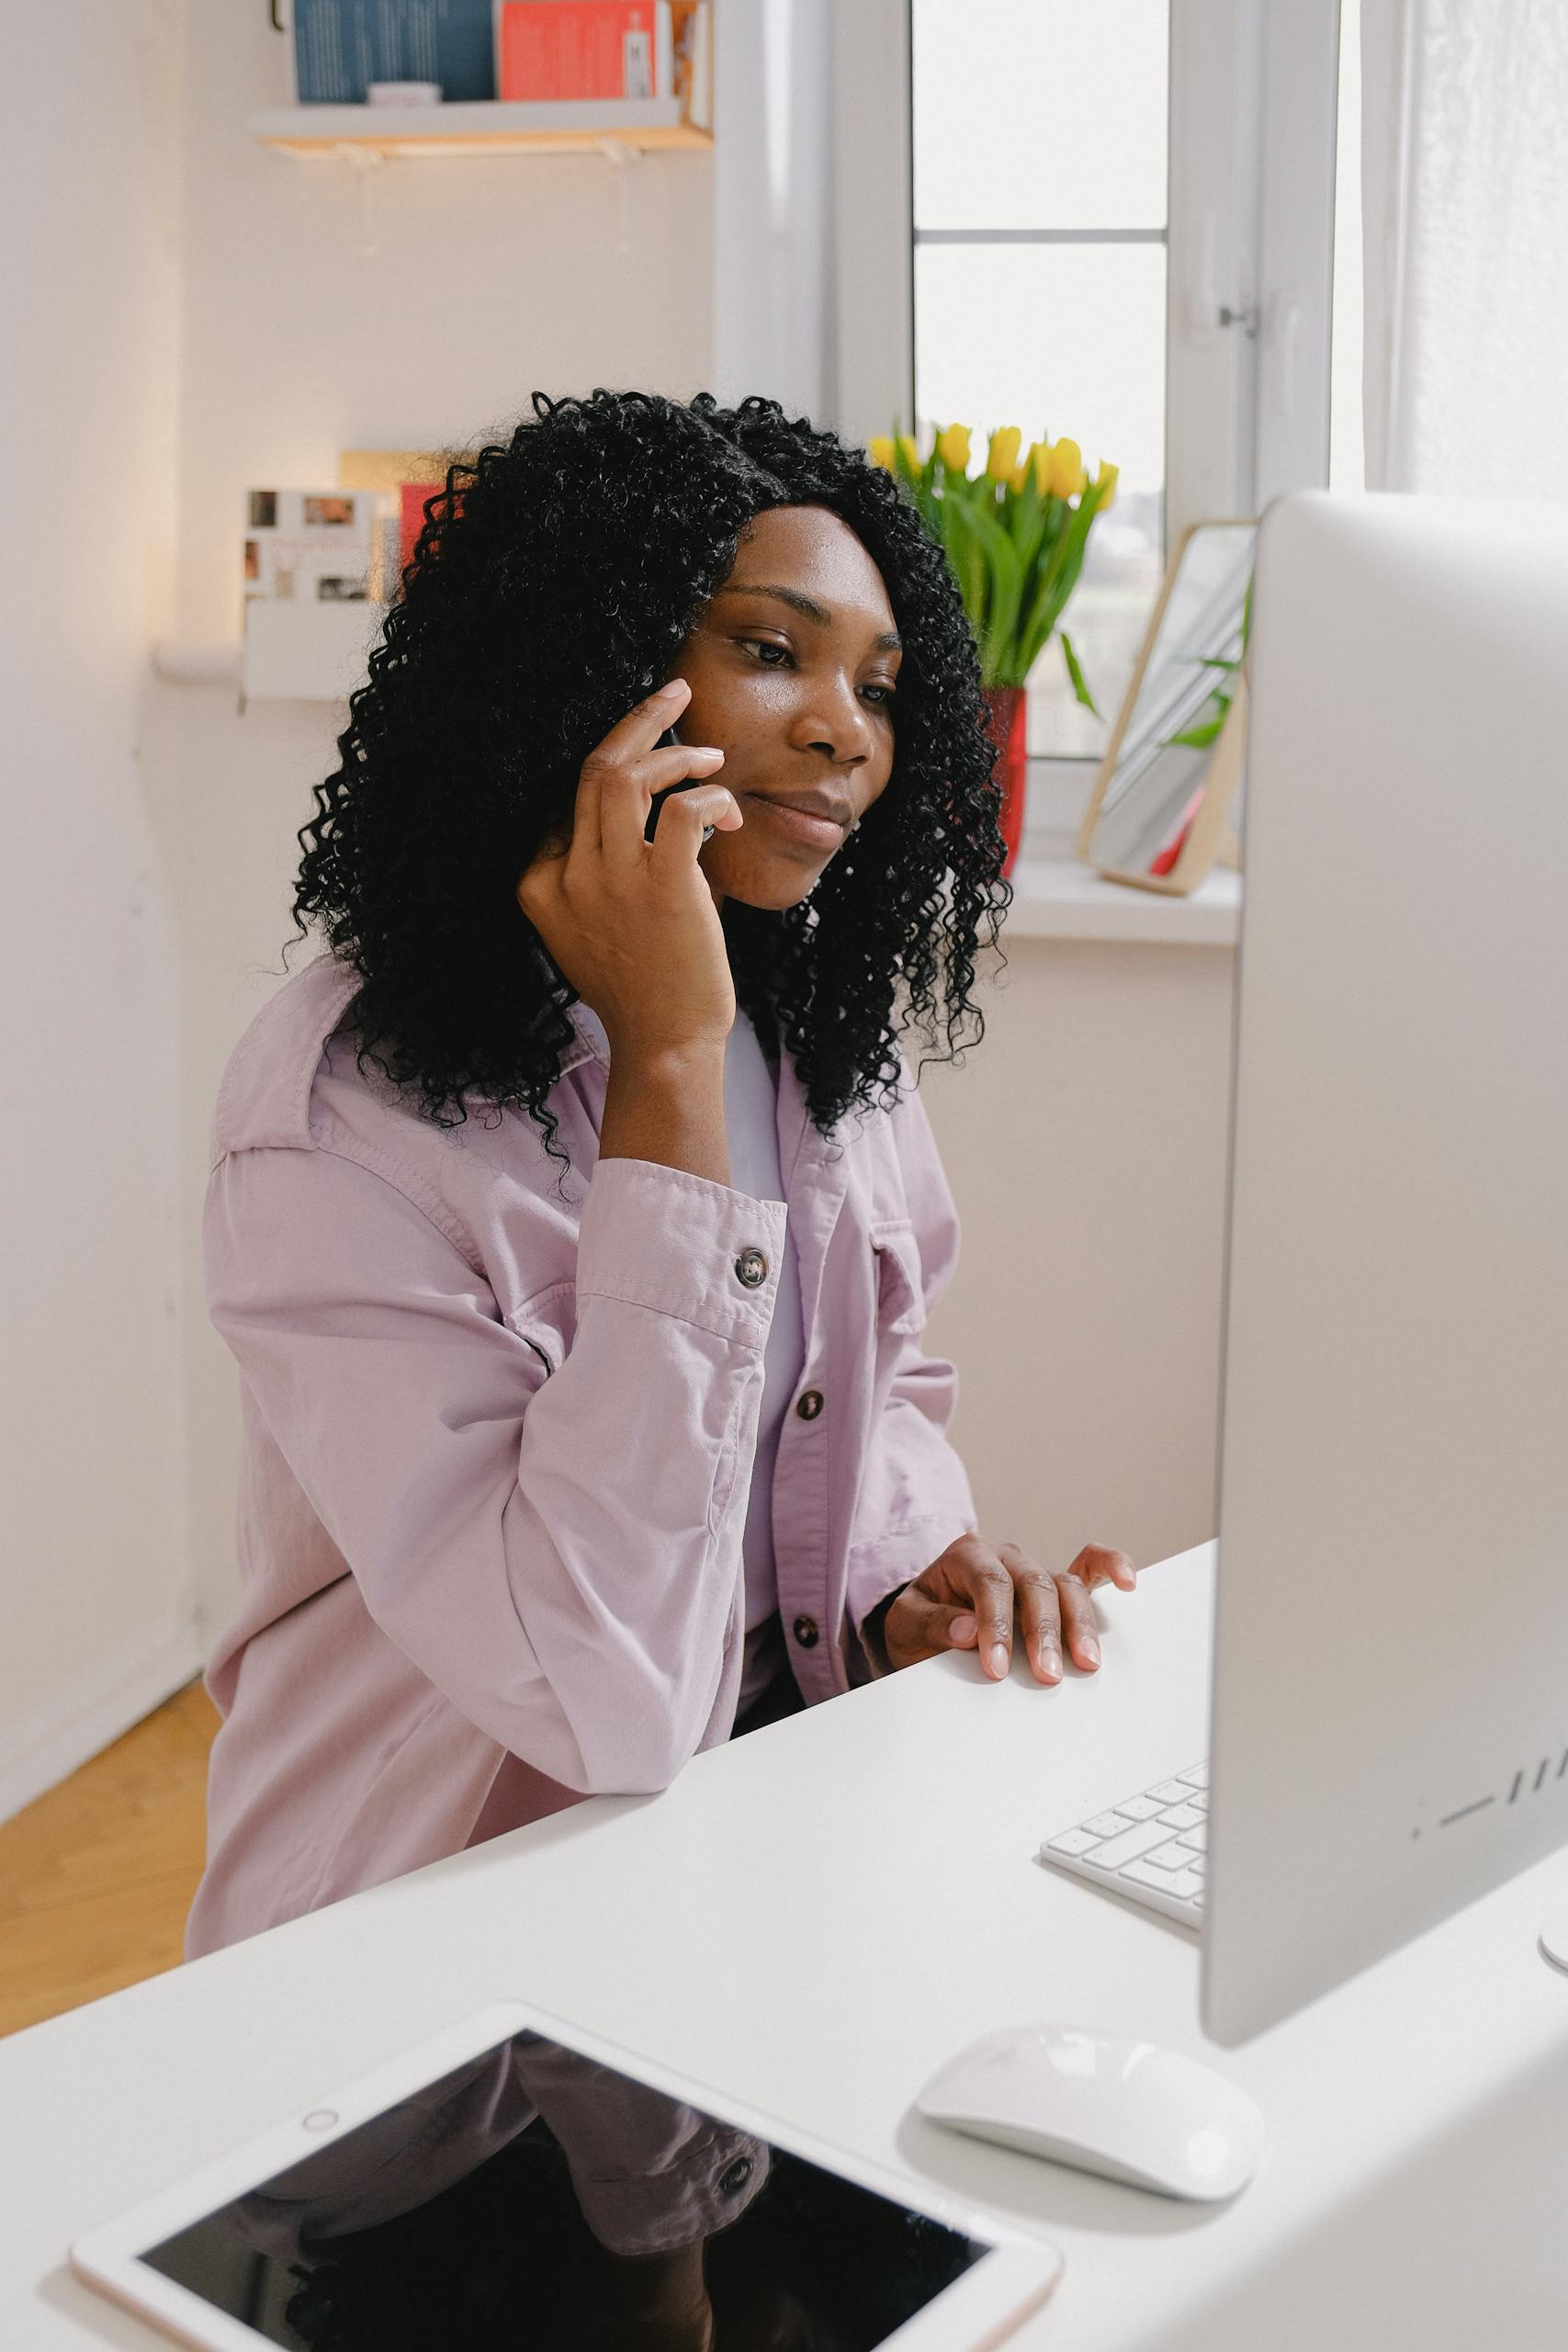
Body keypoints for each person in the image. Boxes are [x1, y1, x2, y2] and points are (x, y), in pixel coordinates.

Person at [186, 390, 1137, 1959]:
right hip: (416, 1944)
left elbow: (875, 1390)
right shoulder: (345, 1117)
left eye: (879, 687)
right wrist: (669, 1069)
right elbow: (600, 1696)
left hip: (741, 1863)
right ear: (590, 671)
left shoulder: (817, 1033)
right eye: (772, 650)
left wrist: (899, 1584)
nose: (847, 730)